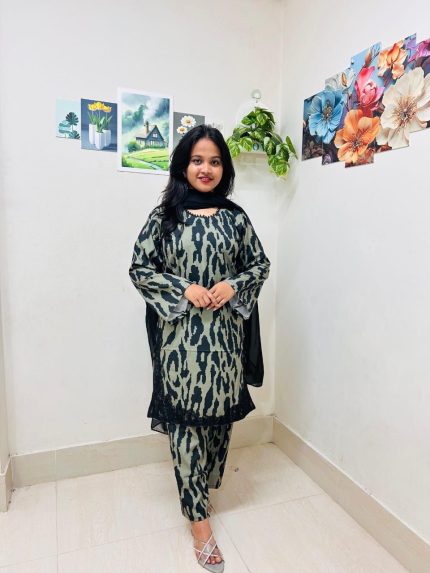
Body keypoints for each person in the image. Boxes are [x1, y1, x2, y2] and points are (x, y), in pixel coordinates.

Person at [129, 125, 270, 571]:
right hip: (180, 341)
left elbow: (259, 264)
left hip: (225, 340)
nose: (205, 169)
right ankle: (199, 522)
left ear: (224, 168)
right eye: (196, 160)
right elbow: (139, 268)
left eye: (214, 161)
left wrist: (234, 284)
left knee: (219, 420)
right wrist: (182, 288)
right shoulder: (165, 217)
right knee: (186, 423)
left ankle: (202, 488)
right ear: (182, 165)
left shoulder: (235, 217)